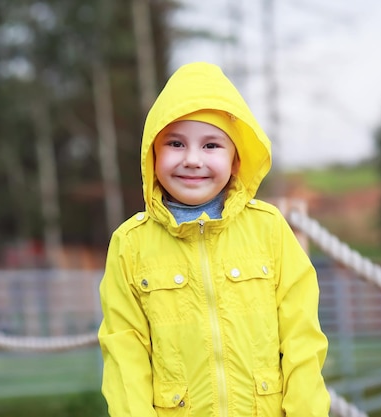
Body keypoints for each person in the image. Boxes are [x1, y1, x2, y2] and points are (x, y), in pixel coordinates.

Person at [97, 62, 330, 417]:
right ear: (153, 154)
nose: (192, 159)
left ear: (236, 159)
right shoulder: (130, 243)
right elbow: (124, 352)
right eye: (175, 143)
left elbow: (302, 338)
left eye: (211, 145)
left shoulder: (269, 229)